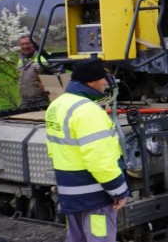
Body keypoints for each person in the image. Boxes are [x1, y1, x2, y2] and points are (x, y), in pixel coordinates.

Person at [45, 58, 129, 241]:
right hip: (94, 197)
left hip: (70, 194)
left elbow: (53, 150)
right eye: (102, 78)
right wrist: (119, 191)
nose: (106, 82)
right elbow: (100, 161)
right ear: (90, 82)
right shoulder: (88, 111)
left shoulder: (56, 106)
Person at [17, 35, 50, 109]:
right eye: (22, 44)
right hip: (25, 102)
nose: (25, 46)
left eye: (28, 43)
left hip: (41, 102)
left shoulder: (44, 56)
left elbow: (58, 72)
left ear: (34, 44)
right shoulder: (21, 58)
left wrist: (48, 83)